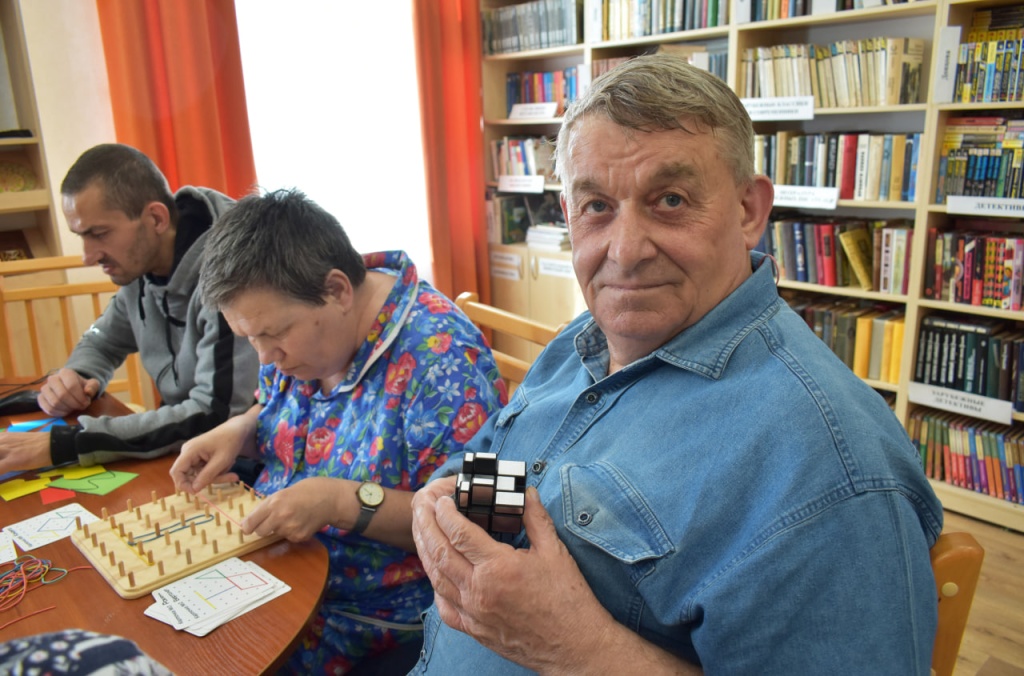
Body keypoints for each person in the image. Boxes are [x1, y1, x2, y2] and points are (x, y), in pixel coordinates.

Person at [409, 54, 943, 674]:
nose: (625, 252)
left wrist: (577, 647)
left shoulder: (828, 470)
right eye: (597, 206)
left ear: (749, 211)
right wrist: (449, 505)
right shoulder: (582, 340)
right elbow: (516, 467)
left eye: (669, 200)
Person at [169, 188, 507, 674]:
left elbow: (489, 520)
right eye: (250, 338)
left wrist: (340, 502)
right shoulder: (302, 327)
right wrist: (242, 428)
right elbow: (280, 409)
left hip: (374, 620)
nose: (264, 357)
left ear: (338, 291)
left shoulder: (447, 357)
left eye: (273, 334)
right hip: (281, 577)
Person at [0, 143, 259, 474]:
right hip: (184, 449)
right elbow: (101, 339)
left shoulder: (231, 272)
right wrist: (80, 374)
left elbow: (213, 414)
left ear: (155, 218)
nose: (87, 256)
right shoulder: (140, 264)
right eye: (81, 236)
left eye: (99, 234)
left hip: (246, 458)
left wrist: (68, 443)